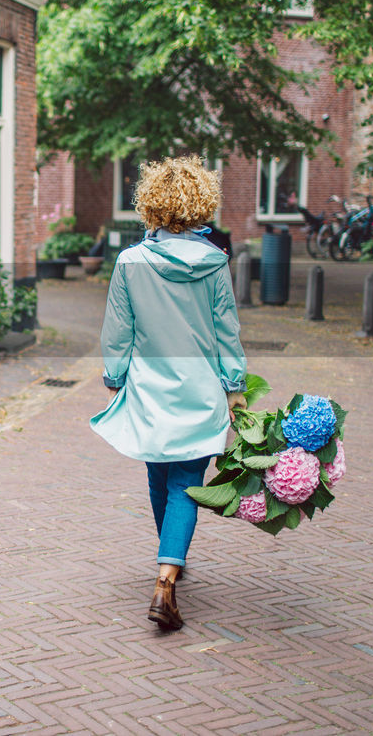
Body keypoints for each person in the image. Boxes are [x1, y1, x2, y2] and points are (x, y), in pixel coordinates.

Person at [89, 155, 247, 631]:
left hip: (149, 389)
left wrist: (114, 378)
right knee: (186, 483)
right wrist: (235, 388)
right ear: (201, 203)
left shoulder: (130, 262)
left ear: (151, 204)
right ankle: (167, 573)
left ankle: (169, 563)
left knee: (159, 476)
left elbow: (118, 330)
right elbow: (227, 332)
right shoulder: (216, 262)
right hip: (200, 391)